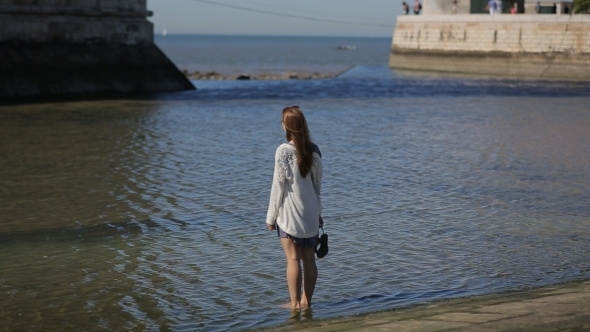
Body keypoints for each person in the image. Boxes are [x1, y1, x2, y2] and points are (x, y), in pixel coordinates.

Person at [266, 106, 323, 311]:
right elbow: (317, 186)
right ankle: (307, 303)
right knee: (309, 259)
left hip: (290, 215)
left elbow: (277, 187)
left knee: (292, 259)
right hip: (311, 215)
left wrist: (271, 217)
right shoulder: (314, 150)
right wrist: (319, 213)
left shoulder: (283, 151)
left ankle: (294, 304)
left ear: (286, 126)